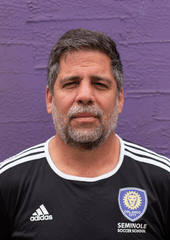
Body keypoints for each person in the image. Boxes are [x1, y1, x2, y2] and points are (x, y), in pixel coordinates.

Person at [0, 28, 170, 240]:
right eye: (71, 84)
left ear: (119, 99)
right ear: (50, 99)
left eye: (99, 84)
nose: (85, 96)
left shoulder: (162, 180)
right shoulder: (8, 182)